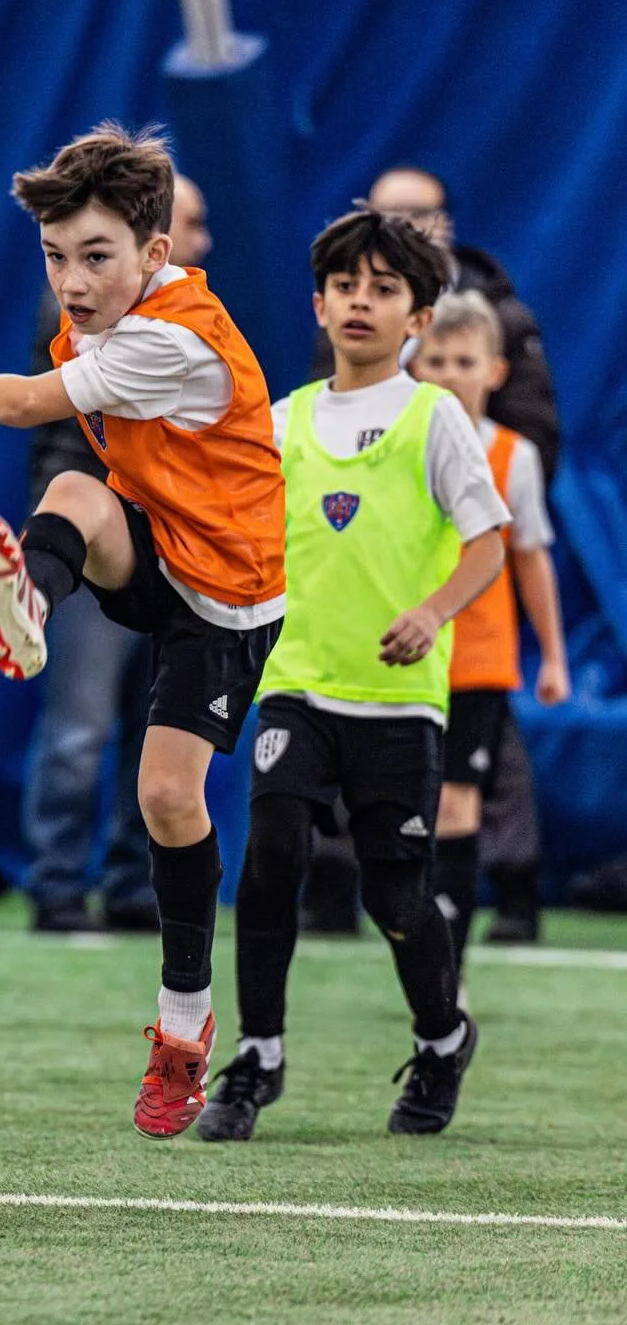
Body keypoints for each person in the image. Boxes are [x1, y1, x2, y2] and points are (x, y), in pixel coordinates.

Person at [0, 125, 284, 1138]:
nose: (72, 278)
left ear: (155, 255)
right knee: (73, 487)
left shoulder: (167, 336)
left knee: (165, 797)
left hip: (225, 597)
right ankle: (30, 598)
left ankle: (183, 1029)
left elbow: (20, 402)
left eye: (95, 256)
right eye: (55, 257)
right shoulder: (98, 321)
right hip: (153, 543)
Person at [199, 209, 506, 1144]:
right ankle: (258, 1055)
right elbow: (245, 545)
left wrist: (431, 612)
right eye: (346, 287)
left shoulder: (433, 417)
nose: (361, 303)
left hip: (398, 702)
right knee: (271, 862)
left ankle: (443, 1036)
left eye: (384, 289)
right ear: (319, 304)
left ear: (417, 318)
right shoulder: (284, 420)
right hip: (296, 685)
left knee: (395, 893)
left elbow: (488, 543)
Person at [302, 164, 562, 941]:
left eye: (422, 214)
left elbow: (519, 537)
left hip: (473, 635)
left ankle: (492, 899)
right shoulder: (345, 349)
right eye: (391, 214)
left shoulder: (503, 356)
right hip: (378, 612)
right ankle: (338, 890)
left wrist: (549, 651)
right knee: (357, 753)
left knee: (472, 776)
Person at [20, 174, 212, 934]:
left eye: (197, 224)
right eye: (185, 222)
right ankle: (57, 883)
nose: (198, 239)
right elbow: (29, 410)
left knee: (158, 728)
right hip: (101, 548)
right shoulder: (95, 307)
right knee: (79, 727)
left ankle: (137, 886)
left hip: (180, 555)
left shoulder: (194, 319)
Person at [410, 291, 570, 981]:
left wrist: (554, 655)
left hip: (474, 658)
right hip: (394, 653)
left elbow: (530, 556)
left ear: (495, 371)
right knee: (395, 802)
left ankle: (448, 957)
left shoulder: (514, 457)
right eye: (436, 360)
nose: (448, 373)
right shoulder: (393, 445)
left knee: (456, 800)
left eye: (464, 361)